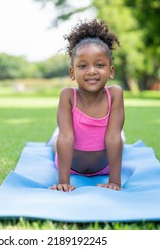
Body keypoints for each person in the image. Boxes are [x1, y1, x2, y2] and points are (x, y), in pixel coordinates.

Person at [50, 19, 125, 192]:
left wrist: (114, 181)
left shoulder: (115, 94)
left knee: (120, 136)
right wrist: (63, 181)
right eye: (83, 66)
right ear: (72, 72)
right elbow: (66, 138)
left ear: (111, 71)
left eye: (99, 65)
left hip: (103, 167)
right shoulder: (67, 95)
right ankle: (52, 136)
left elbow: (113, 137)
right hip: (70, 165)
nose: (91, 71)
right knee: (58, 138)